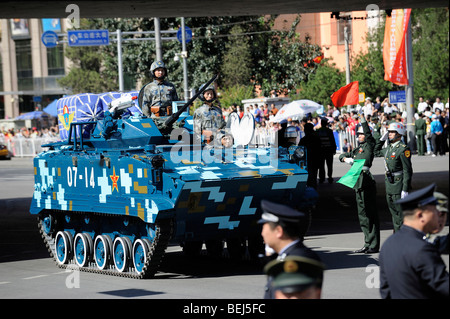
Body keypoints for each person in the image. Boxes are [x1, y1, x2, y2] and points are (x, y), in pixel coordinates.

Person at [379, 183, 449, 299]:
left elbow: (386, 291)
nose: (439, 215)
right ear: (420, 215)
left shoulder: (388, 244)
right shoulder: (422, 249)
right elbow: (444, 286)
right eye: (435, 211)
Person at [259, 199, 321, 299]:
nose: (262, 233)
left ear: (279, 231)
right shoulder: (289, 255)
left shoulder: (294, 262)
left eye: (264, 228)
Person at [339, 114, 380, 253]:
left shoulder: (369, 145)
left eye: (361, 134)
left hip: (366, 180)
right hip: (357, 181)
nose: (359, 136)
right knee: (362, 215)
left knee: (370, 213)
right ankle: (367, 243)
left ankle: (373, 244)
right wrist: (345, 159)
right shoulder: (358, 149)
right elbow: (342, 156)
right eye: (358, 134)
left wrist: (363, 120)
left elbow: (369, 134)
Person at [375, 122, 413, 232]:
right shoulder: (388, 148)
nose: (389, 134)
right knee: (394, 213)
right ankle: (397, 236)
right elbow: (376, 152)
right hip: (390, 184)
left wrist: (405, 189)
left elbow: (407, 170)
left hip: (398, 185)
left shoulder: (403, 149)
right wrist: (381, 140)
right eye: (389, 132)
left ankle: (402, 238)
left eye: (392, 132)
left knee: (400, 214)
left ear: (399, 134)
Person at [298, 123, 321, 189]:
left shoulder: (303, 140)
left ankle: (310, 189)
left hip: (307, 161)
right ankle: (313, 189)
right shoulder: (316, 139)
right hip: (315, 160)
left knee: (308, 177)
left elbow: (299, 150)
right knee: (314, 176)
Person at [316, 118, 337, 184]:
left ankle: (321, 178)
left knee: (321, 165)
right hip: (329, 150)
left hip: (320, 151)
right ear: (326, 124)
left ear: (321, 124)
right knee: (329, 165)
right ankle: (330, 177)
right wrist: (334, 149)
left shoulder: (317, 131)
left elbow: (316, 142)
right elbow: (332, 141)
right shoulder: (329, 131)